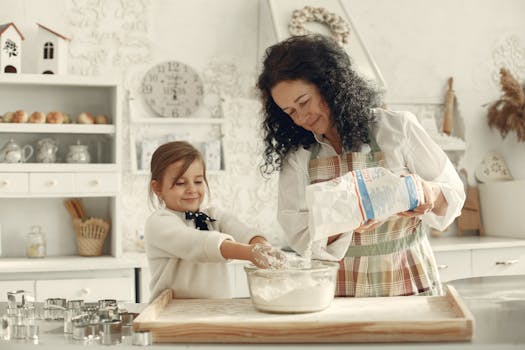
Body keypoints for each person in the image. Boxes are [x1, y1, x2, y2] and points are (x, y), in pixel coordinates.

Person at [256, 34, 466, 297]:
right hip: (340, 287)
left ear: (330, 84)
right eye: (290, 112)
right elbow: (299, 236)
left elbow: (454, 194)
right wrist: (344, 223)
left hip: (407, 278)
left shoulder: (396, 129)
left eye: (303, 102)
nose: (301, 118)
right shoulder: (299, 156)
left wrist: (430, 194)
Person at [145, 141, 286, 300]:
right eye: (180, 183)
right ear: (157, 188)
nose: (192, 189)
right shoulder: (159, 222)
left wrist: (262, 246)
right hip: (171, 314)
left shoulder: (213, 215)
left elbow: (240, 230)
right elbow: (196, 243)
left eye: (198, 181)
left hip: (215, 311)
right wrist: (249, 253)